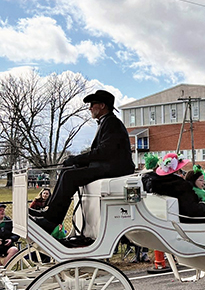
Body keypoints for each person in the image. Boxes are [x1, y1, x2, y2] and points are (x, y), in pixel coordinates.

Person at [30, 90, 135, 234]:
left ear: (102, 105)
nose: (90, 108)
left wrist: (77, 159)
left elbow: (104, 152)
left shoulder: (112, 123)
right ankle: (49, 213)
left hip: (115, 168)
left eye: (92, 104)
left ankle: (51, 220)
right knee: (67, 171)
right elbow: (103, 153)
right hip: (108, 166)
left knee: (69, 177)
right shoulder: (107, 122)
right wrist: (75, 162)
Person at [142, 153, 205, 221]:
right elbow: (192, 210)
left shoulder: (155, 185)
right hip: (185, 220)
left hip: (163, 219)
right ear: (177, 171)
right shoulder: (181, 186)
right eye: (180, 170)